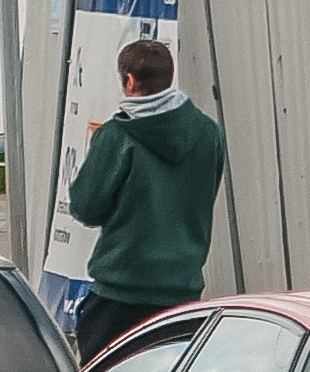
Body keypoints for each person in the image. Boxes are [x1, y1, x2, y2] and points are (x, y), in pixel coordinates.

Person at [64, 37, 224, 355]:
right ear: (169, 78)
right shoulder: (208, 133)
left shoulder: (117, 136)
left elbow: (86, 207)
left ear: (130, 80)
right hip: (182, 294)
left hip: (120, 294)